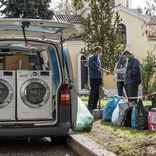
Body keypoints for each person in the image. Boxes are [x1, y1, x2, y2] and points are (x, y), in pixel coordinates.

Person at [87, 46, 110, 113]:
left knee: (97, 93)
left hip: (98, 78)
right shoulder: (91, 59)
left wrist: (101, 79)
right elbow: (96, 67)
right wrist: (105, 71)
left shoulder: (98, 59)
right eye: (99, 51)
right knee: (93, 92)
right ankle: (90, 106)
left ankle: (95, 106)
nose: (100, 53)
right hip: (93, 78)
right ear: (96, 51)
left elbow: (100, 71)